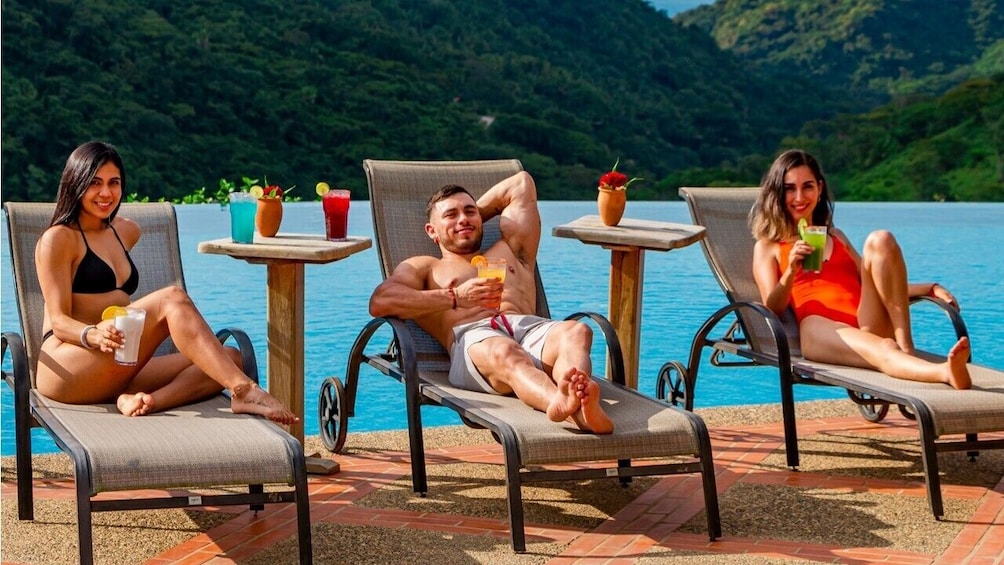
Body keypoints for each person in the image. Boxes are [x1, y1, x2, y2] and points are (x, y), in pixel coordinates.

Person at [35, 140, 298, 422]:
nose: (105, 192)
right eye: (94, 183)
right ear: (75, 183)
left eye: (114, 183)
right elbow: (59, 322)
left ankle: (144, 401)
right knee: (172, 299)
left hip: (118, 360)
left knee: (229, 359)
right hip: (68, 366)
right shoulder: (58, 239)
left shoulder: (126, 231)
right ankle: (245, 391)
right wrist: (93, 334)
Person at [368, 171, 614, 433]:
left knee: (576, 331)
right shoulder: (426, 268)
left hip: (529, 329)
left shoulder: (512, 249)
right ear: (432, 231)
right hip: (476, 340)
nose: (463, 218)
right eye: (451, 215)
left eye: (469, 211)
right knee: (504, 351)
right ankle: (563, 404)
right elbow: (381, 301)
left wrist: (469, 220)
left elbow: (521, 183)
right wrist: (455, 297)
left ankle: (578, 395)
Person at [749, 149, 971, 389]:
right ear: (778, 193)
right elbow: (773, 309)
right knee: (885, 348)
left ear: (820, 188)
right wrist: (791, 269)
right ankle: (945, 372)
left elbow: (878, 285)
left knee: (880, 239)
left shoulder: (836, 236)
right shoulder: (768, 247)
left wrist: (930, 287)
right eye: (790, 188)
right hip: (819, 328)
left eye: (808, 186)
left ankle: (907, 348)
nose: (799, 197)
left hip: (865, 321)